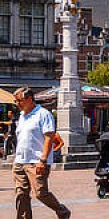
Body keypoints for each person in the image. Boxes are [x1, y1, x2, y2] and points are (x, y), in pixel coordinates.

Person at [12, 87, 71, 219]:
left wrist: (43, 160)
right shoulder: (21, 116)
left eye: (19, 101)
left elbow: (49, 137)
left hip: (36, 161)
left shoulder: (43, 114)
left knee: (40, 193)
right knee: (21, 194)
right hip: (20, 161)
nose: (17, 104)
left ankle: (62, 211)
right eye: (15, 101)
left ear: (29, 99)